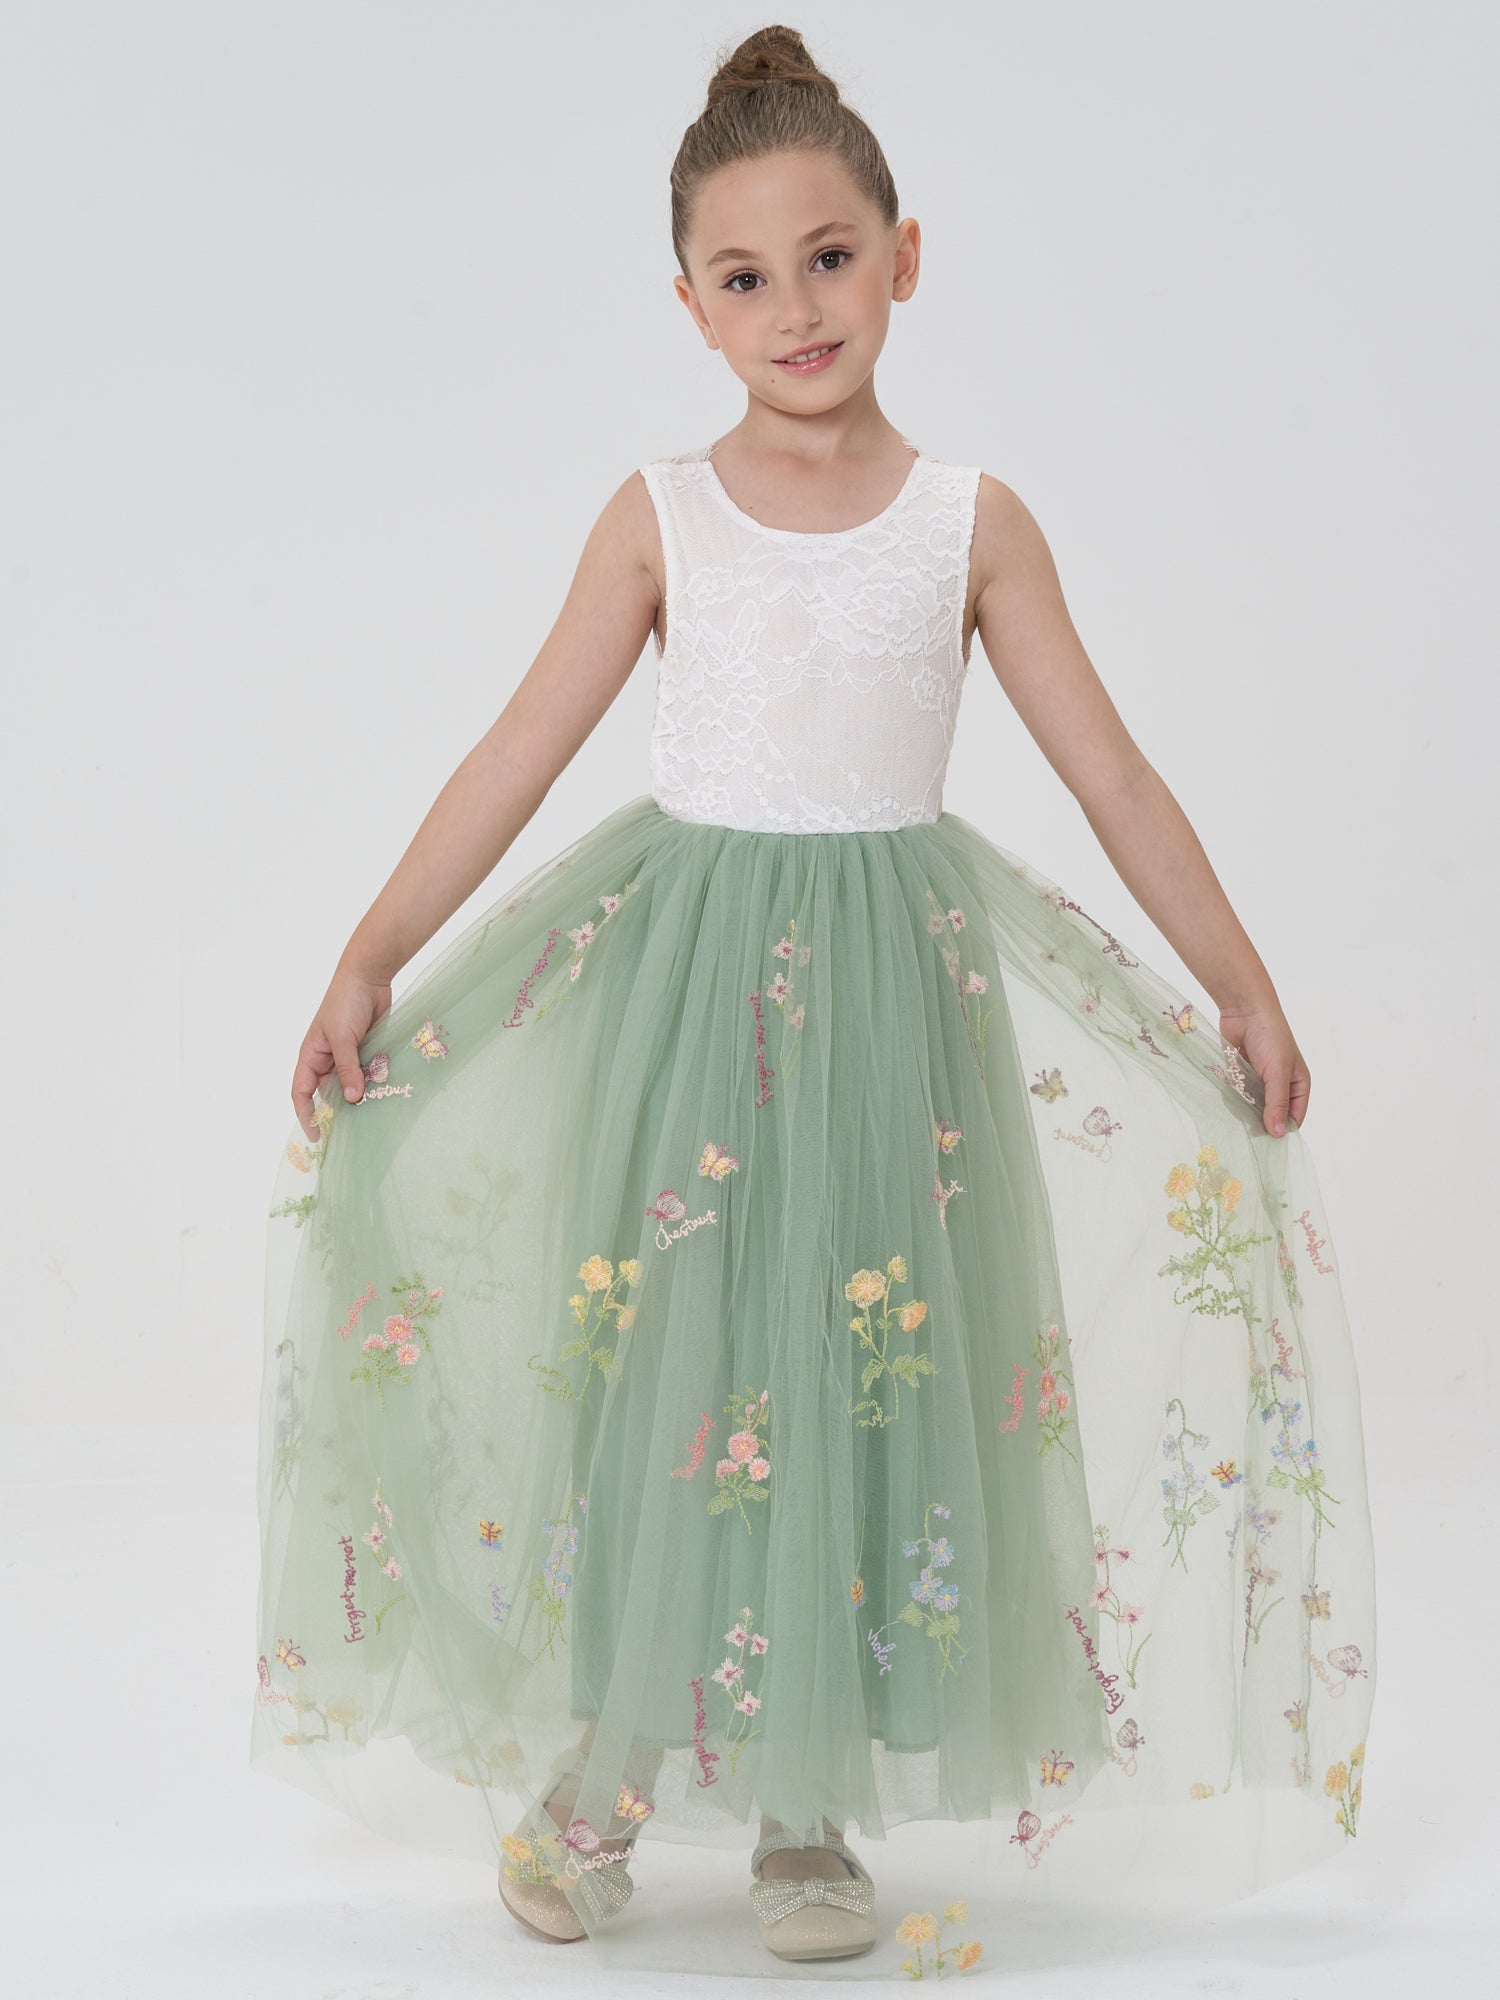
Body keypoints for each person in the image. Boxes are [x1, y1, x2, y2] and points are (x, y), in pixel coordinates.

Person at [252, 23, 1376, 1978]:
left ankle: (803, 1800)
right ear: (690, 305)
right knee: (673, 1383)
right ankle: (605, 1771)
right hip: (690, 1014)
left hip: (888, 1034)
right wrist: (372, 952)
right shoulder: (659, 514)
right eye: (747, 275)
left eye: (831, 257)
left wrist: (1243, 987)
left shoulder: (971, 523)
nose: (797, 308)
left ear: (905, 258)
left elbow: (1113, 776)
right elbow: (518, 747)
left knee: (861, 1388)